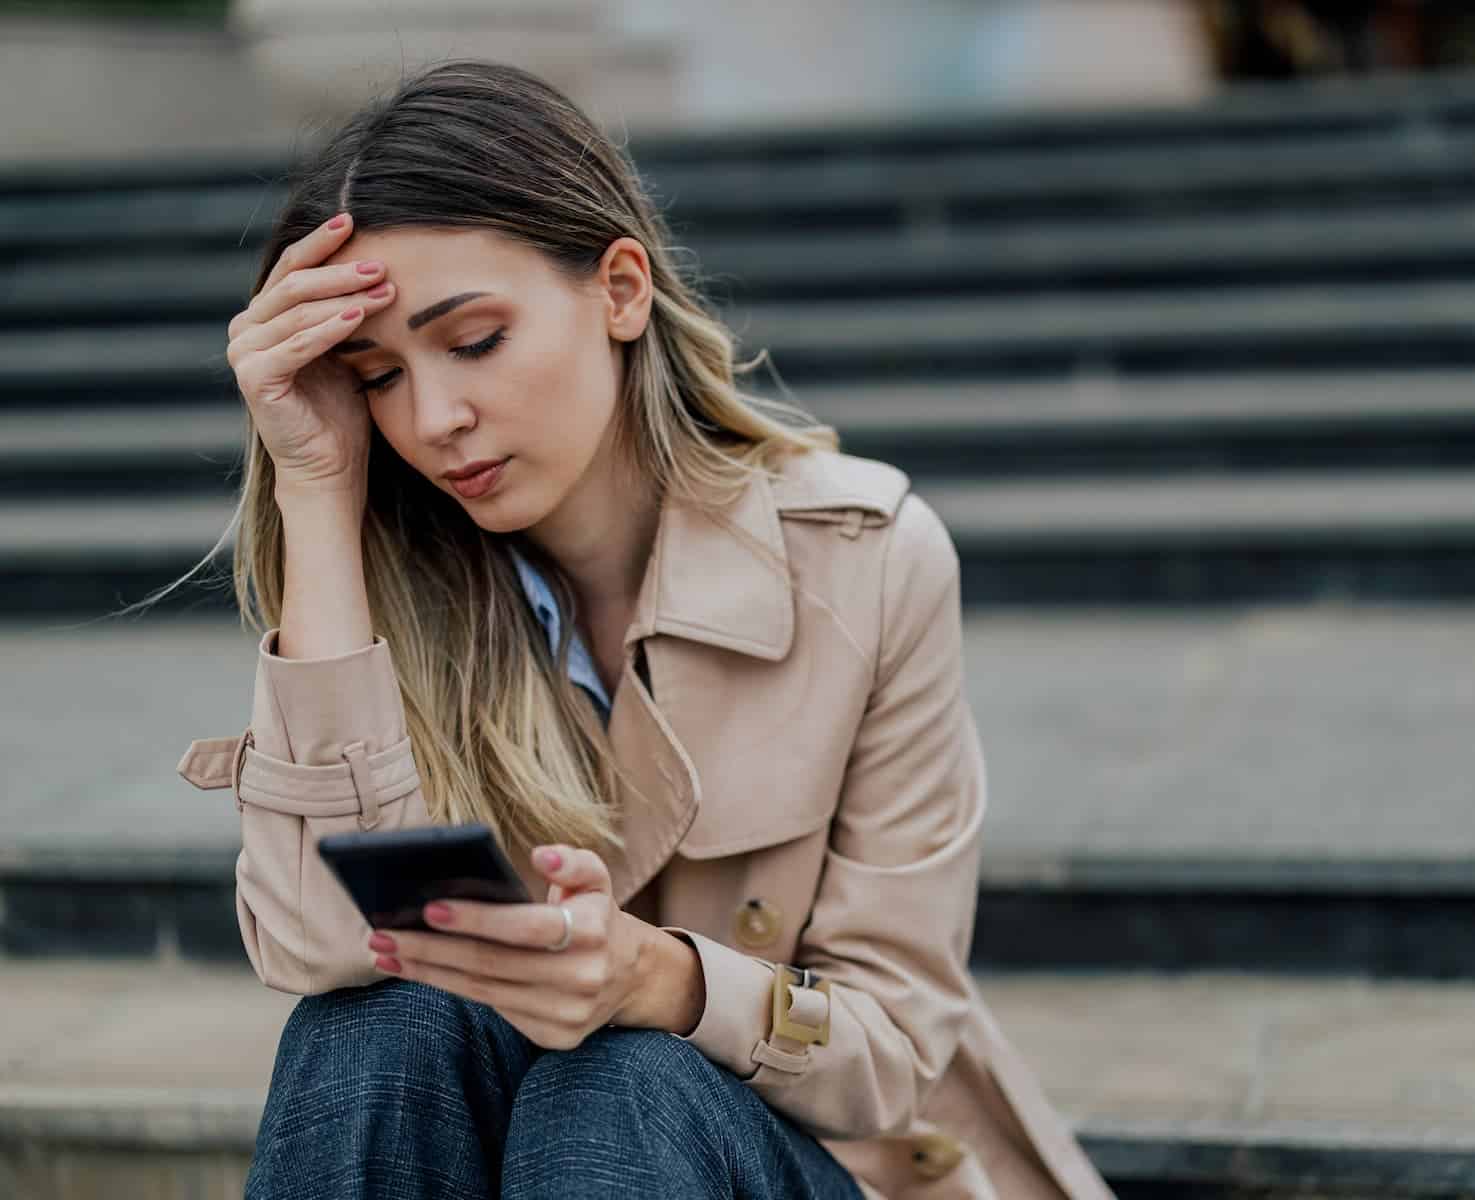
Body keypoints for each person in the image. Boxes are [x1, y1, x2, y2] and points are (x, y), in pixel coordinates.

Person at [169, 59, 1115, 1200]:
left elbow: (898, 1055)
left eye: (472, 342)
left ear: (620, 290)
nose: (432, 418)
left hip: (802, 1164)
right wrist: (315, 489)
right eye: (374, 376)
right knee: (367, 1035)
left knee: (623, 1086)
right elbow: (323, 952)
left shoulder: (864, 562)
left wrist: (658, 981)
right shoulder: (381, 585)